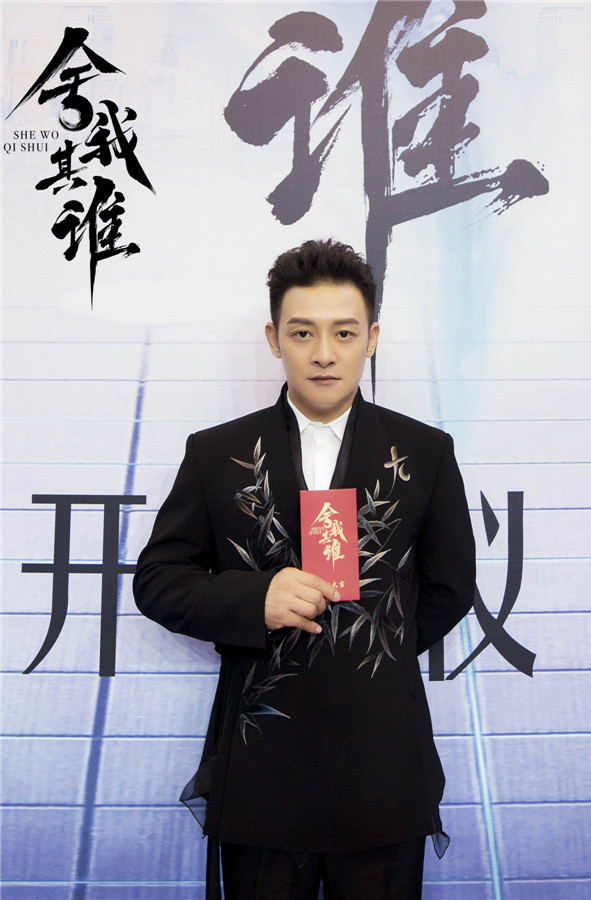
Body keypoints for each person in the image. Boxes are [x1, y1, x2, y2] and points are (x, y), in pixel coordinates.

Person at [133, 239, 476, 900]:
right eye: (302, 332)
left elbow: (450, 585)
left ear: (371, 338)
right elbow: (159, 580)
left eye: (344, 332)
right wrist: (254, 599)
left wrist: (373, 643)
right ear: (274, 339)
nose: (324, 353)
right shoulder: (216, 453)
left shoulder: (425, 451)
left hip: (381, 756)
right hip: (263, 762)